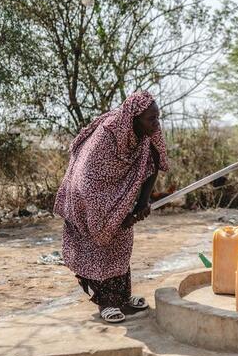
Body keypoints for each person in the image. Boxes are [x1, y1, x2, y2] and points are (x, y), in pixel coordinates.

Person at [54, 91, 168, 323]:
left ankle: (122, 297)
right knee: (99, 245)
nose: (156, 124)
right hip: (85, 197)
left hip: (114, 195)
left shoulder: (150, 132)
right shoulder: (106, 136)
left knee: (121, 241)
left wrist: (142, 202)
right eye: (151, 119)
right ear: (134, 119)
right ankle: (105, 302)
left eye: (158, 117)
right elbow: (88, 182)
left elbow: (153, 163)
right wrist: (115, 217)